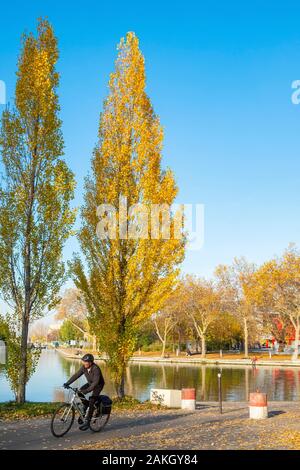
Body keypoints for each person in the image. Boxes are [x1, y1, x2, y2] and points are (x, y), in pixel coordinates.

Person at [63, 353, 105, 431]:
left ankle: (88, 422)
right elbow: (76, 375)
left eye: (86, 362)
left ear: (91, 362)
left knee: (92, 400)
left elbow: (95, 383)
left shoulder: (96, 369)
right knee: (79, 391)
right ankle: (85, 407)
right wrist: (67, 383)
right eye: (83, 361)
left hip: (98, 385)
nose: (84, 363)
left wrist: (86, 391)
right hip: (90, 383)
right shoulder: (84, 367)